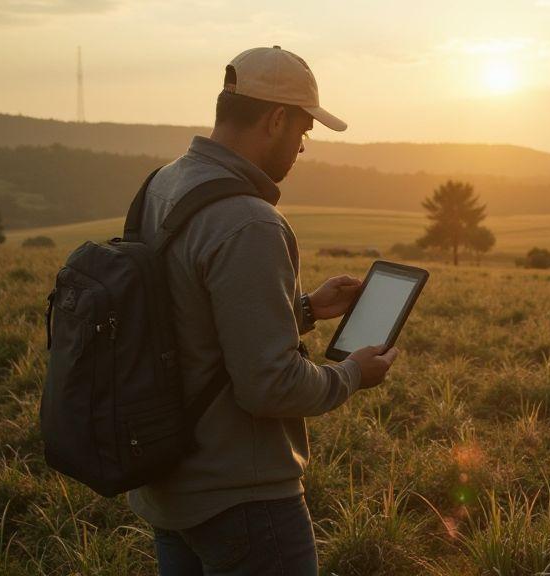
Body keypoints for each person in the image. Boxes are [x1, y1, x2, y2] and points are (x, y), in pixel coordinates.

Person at [128, 46, 399, 575]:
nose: (302, 147)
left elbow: (186, 321)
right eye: (303, 131)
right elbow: (270, 386)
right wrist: (352, 374)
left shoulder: (163, 184)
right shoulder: (249, 222)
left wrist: (304, 310)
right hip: (242, 499)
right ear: (276, 120)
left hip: (167, 483)